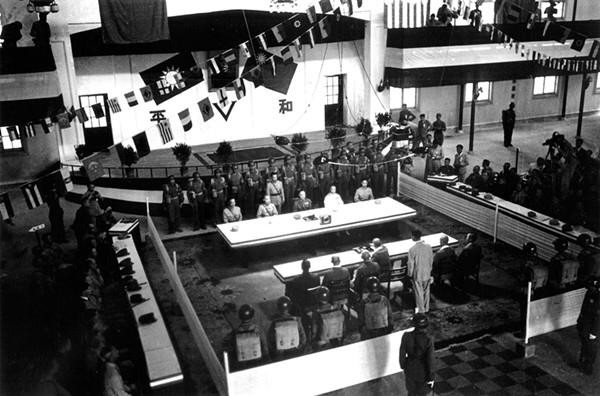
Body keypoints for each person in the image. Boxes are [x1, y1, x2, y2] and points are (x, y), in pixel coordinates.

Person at [399, 313, 435, 396]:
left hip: (410, 369)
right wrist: (431, 377)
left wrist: (404, 366)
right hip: (423, 373)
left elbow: (402, 354)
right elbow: (430, 360)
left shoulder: (406, 336)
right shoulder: (429, 339)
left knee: (411, 392)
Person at [577, 277, 600, 375]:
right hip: (585, 321)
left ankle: (588, 366)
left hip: (593, 325)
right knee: (584, 343)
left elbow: (598, 317)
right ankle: (582, 363)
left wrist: (594, 332)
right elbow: (585, 307)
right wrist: (580, 319)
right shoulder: (591, 292)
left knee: (591, 346)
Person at [407, 230, 433, 313]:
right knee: (427, 291)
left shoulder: (412, 249)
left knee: (419, 293)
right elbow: (431, 260)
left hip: (418, 274)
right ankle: (427, 308)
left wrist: (409, 275)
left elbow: (411, 265)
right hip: (427, 273)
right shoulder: (428, 246)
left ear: (413, 237)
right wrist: (429, 270)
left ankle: (421, 311)